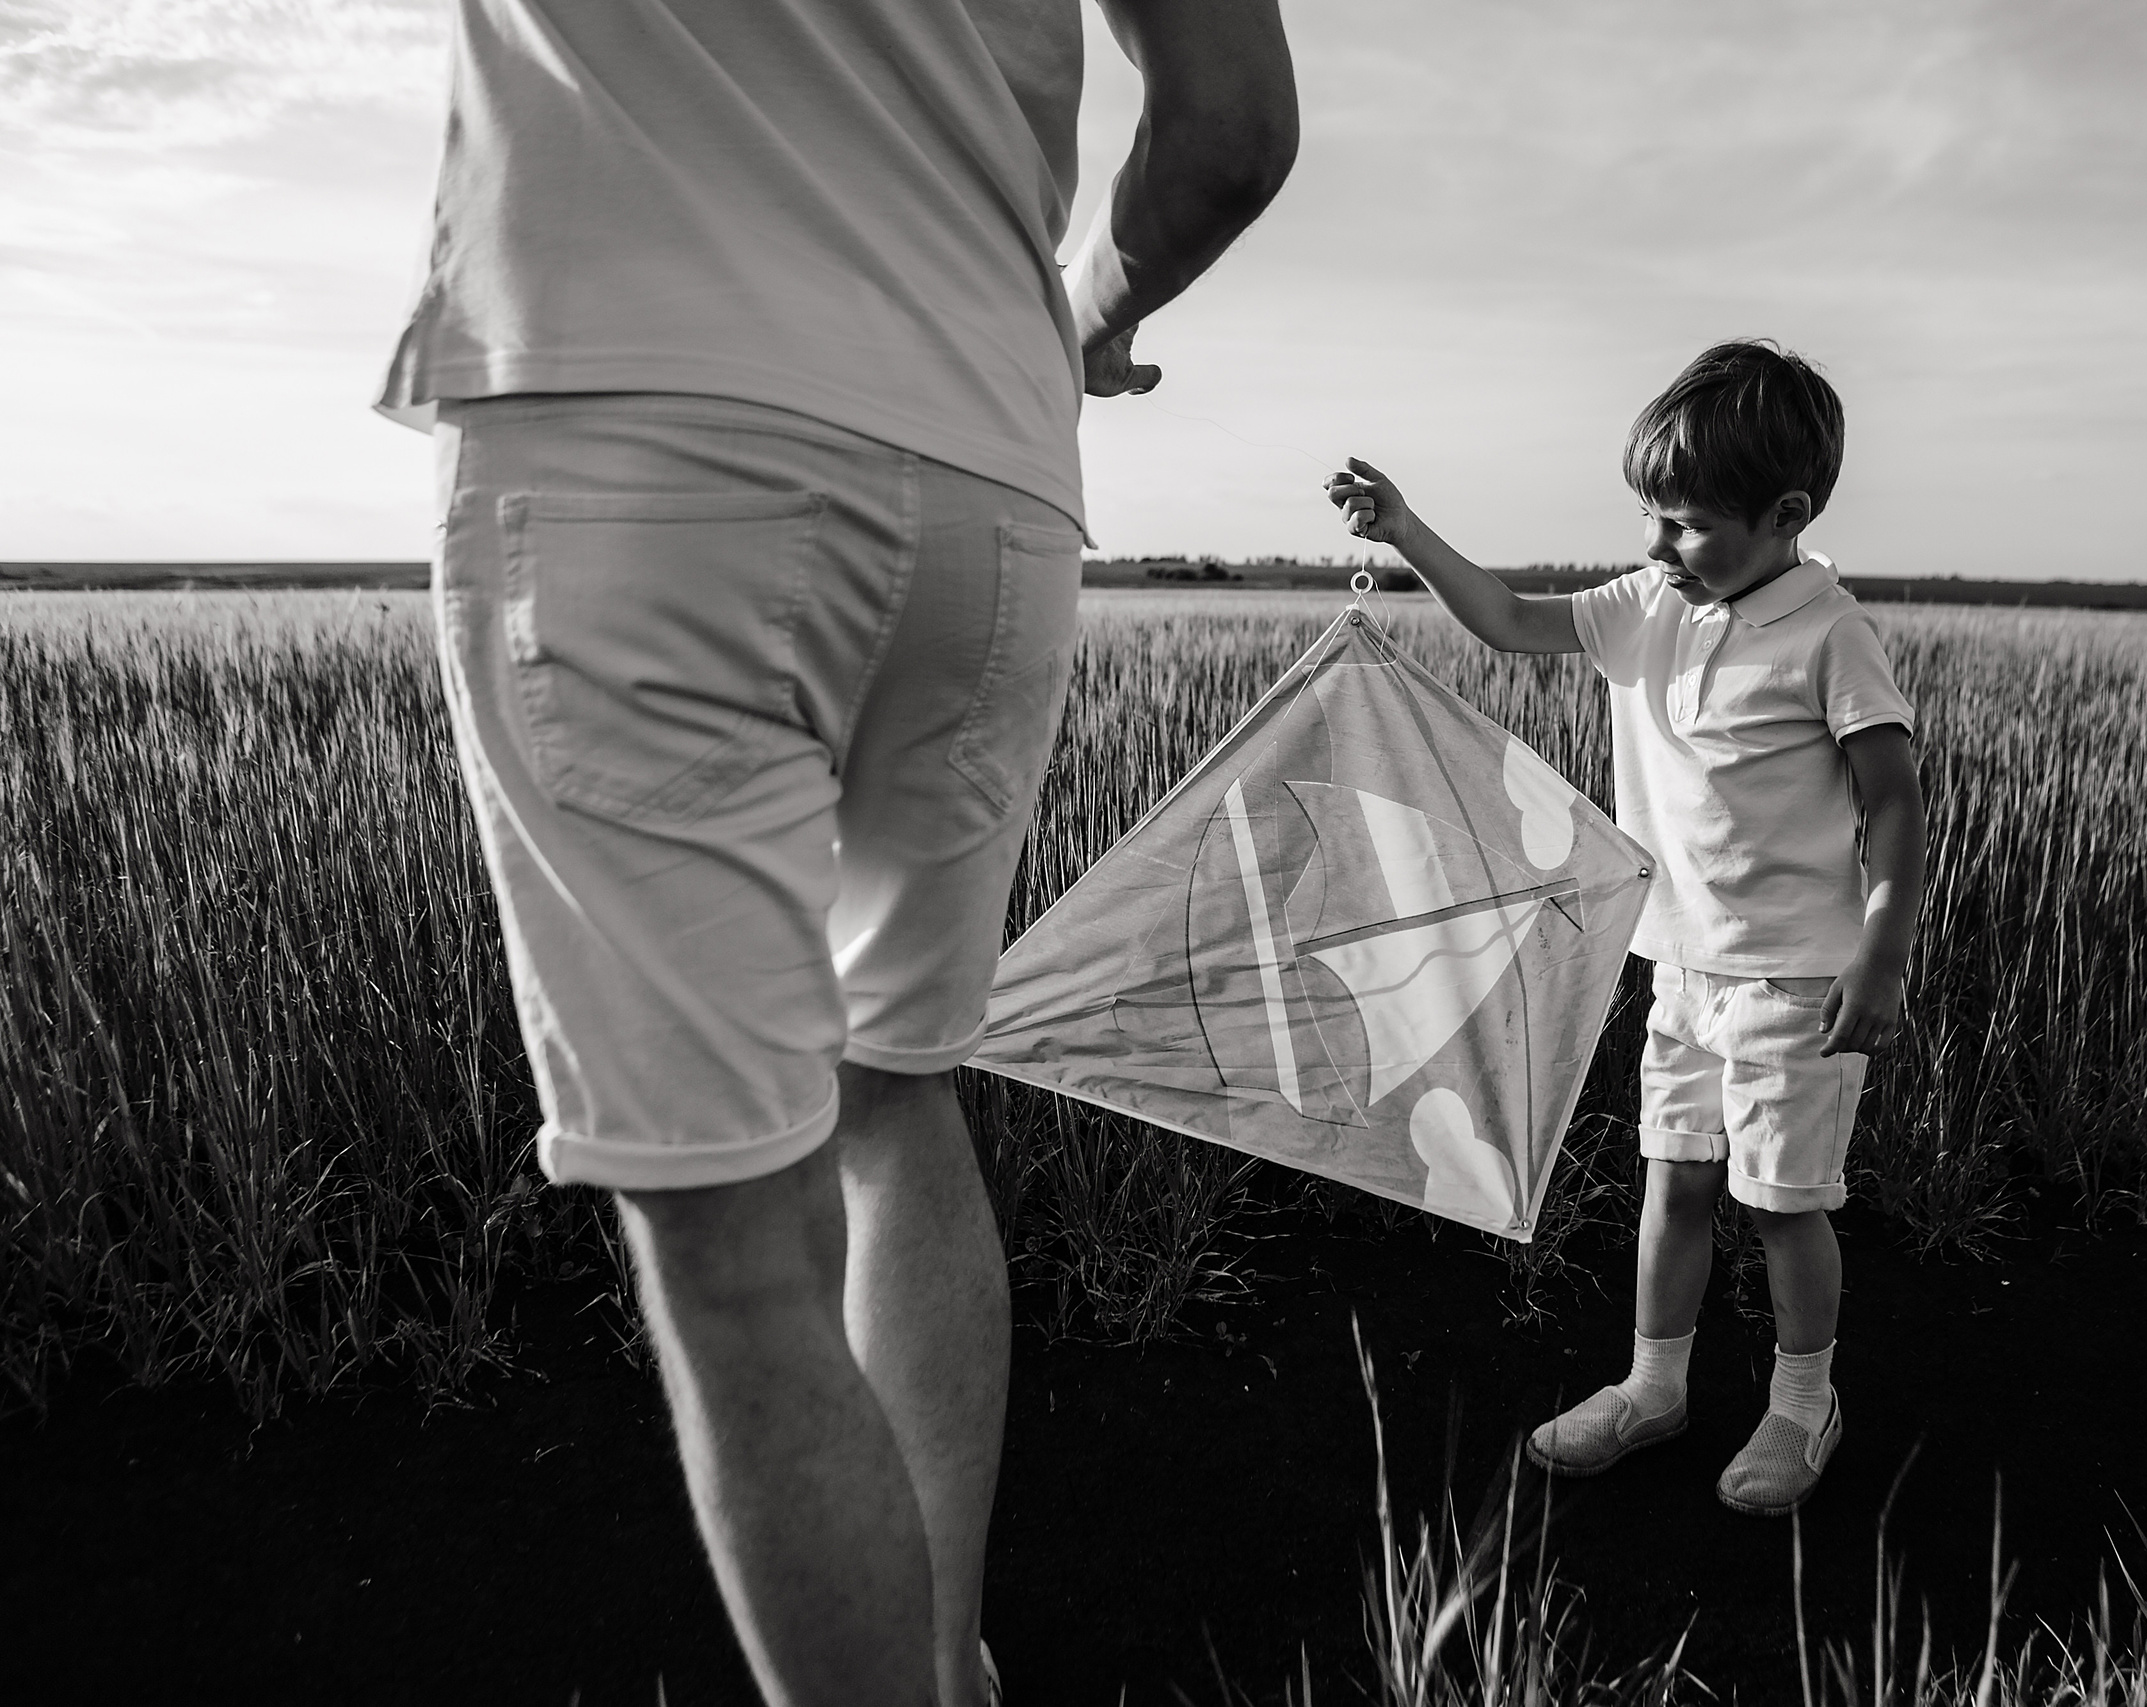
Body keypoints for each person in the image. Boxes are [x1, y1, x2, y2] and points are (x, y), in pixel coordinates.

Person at [377, 1, 1297, 1700]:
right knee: (899, 1093)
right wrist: (1087, 312)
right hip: (992, 472)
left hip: (638, 425)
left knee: (732, 1239)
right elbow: (1233, 128)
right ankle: (945, 1659)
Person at [1324, 340, 1924, 1515]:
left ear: (1786, 514)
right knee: (1676, 1186)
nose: (1655, 546)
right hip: (1680, 970)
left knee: (1782, 1204)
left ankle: (1804, 1402)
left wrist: (1883, 949)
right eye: (1647, 518)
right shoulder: (1648, 606)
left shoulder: (1828, 632)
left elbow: (1893, 796)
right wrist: (1403, 530)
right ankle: (1655, 1387)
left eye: (1686, 524)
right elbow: (1503, 618)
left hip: (1793, 985)